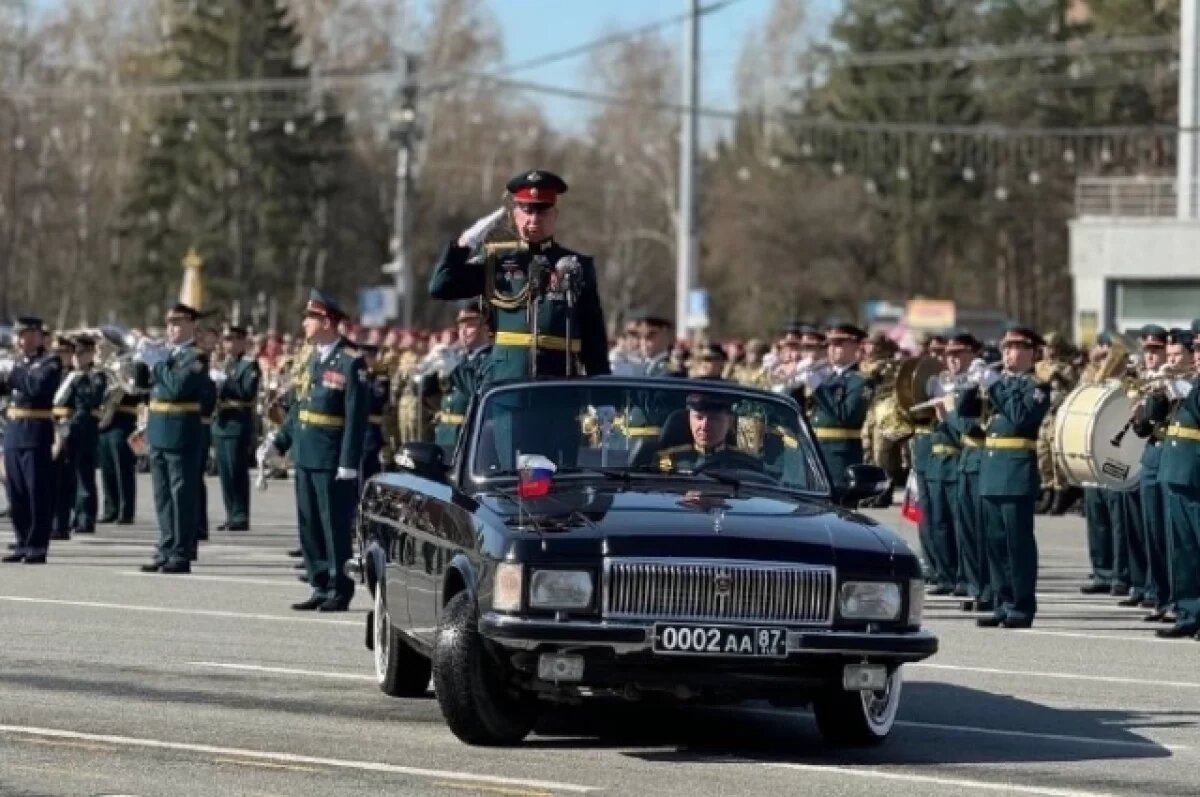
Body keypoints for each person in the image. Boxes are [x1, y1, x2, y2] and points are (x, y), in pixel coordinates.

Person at [429, 169, 609, 381]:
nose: (534, 219)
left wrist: (601, 388)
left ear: (555, 216)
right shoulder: (496, 261)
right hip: (507, 383)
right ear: (515, 215)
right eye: (527, 210)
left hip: (560, 383)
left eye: (542, 211)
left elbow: (593, 336)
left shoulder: (576, 266)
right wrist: (465, 243)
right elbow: (441, 285)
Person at [262, 289, 368, 612]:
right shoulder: (311, 359)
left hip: (332, 458)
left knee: (333, 525)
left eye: (310, 318)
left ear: (326, 321)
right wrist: (278, 442)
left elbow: (355, 417)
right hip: (306, 454)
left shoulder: (351, 362)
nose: (304, 323)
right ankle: (318, 583)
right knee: (308, 523)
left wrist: (349, 461)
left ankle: (339, 587)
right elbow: (298, 410)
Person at [977, 324, 1051, 629]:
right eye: (1006, 348)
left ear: (1032, 353)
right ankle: (1001, 600)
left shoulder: (1037, 387)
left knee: (1016, 543)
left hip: (1016, 471)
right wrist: (970, 388)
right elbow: (970, 419)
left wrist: (994, 384)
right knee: (994, 543)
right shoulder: (1001, 383)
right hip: (992, 469)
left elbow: (1021, 418)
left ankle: (1021, 605)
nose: (1008, 354)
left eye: (1016, 348)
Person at [138, 303, 213, 575]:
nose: (172, 328)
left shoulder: (197, 356)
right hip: (158, 429)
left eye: (179, 323)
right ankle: (165, 546)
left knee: (181, 494)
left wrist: (156, 363)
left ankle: (181, 552)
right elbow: (141, 387)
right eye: (170, 323)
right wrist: (141, 360)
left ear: (192, 325)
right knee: (161, 496)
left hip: (181, 431)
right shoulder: (166, 354)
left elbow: (177, 387)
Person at [1133, 329, 1192, 622]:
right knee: (1155, 533)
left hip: (1180, 457)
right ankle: (1161, 594)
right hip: (1156, 456)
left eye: (1176, 355)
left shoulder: (1189, 385)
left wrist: (1173, 387)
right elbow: (1143, 428)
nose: (1170, 361)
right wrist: (1150, 397)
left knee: (1176, 538)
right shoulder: (1164, 383)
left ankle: (1179, 600)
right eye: (1168, 356)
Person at [1, 317, 63, 564]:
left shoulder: (50, 362)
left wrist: (12, 372)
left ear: (38, 336)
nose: (19, 339)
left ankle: (37, 545)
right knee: (16, 492)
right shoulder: (18, 362)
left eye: (25, 334)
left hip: (36, 431)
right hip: (14, 431)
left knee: (37, 490)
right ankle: (22, 541)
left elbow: (36, 388)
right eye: (18, 334)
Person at [1157, 341, 1200, 638]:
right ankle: (1188, 612)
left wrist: (1188, 390)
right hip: (1178, 471)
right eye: (1196, 350)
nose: (1197, 356)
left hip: (1195, 473)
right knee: (1183, 551)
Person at [802, 323, 871, 493]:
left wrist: (818, 387)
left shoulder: (860, 381)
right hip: (818, 451)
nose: (832, 349)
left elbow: (846, 415)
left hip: (840, 456)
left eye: (839, 344)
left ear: (855, 346)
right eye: (830, 344)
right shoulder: (829, 377)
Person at [54, 335, 107, 536]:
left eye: (80, 353)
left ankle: (85, 518)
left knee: (84, 475)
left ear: (91, 353)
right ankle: (62, 520)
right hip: (63, 428)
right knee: (63, 477)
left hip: (83, 429)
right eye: (73, 353)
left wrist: (78, 379)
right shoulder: (65, 374)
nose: (75, 357)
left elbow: (90, 400)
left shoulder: (96, 375)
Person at [212, 325, 261, 532]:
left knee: (236, 471)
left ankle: (241, 515)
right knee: (224, 472)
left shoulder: (249, 365)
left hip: (237, 422)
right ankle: (230, 513)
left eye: (232, 339)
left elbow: (247, 393)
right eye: (225, 339)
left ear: (242, 341)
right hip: (221, 423)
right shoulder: (223, 364)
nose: (227, 344)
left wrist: (227, 382)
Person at [434, 301, 493, 449]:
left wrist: (454, 368)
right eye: (460, 327)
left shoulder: (489, 359)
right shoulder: (461, 357)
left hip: (467, 436)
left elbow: (476, 391)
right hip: (446, 435)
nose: (463, 332)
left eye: (470, 326)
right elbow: (427, 391)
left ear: (485, 327)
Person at [98, 348, 147, 525]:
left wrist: (121, 377)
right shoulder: (108, 369)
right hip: (106, 421)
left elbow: (136, 391)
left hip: (124, 422)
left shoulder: (135, 367)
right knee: (107, 468)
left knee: (122, 468)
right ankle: (110, 508)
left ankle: (125, 511)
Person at [1034, 332, 1080, 515]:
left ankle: (1060, 494)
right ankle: (1047, 491)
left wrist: (1059, 377)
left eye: (1051, 347)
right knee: (1043, 455)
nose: (1048, 351)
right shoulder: (1039, 367)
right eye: (1046, 347)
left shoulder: (1066, 368)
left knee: (1056, 457)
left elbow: (1073, 389)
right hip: (1043, 417)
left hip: (1058, 416)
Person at [657, 393, 761, 473]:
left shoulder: (747, 464)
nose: (705, 426)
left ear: (730, 422)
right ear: (689, 419)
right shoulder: (669, 460)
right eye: (699, 418)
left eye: (714, 419)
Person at [49, 336, 78, 540]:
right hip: (48, 426)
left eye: (65, 353)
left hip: (68, 428)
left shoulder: (75, 377)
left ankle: (62, 524)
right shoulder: (51, 374)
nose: (61, 357)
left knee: (64, 480)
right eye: (57, 353)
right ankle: (51, 523)